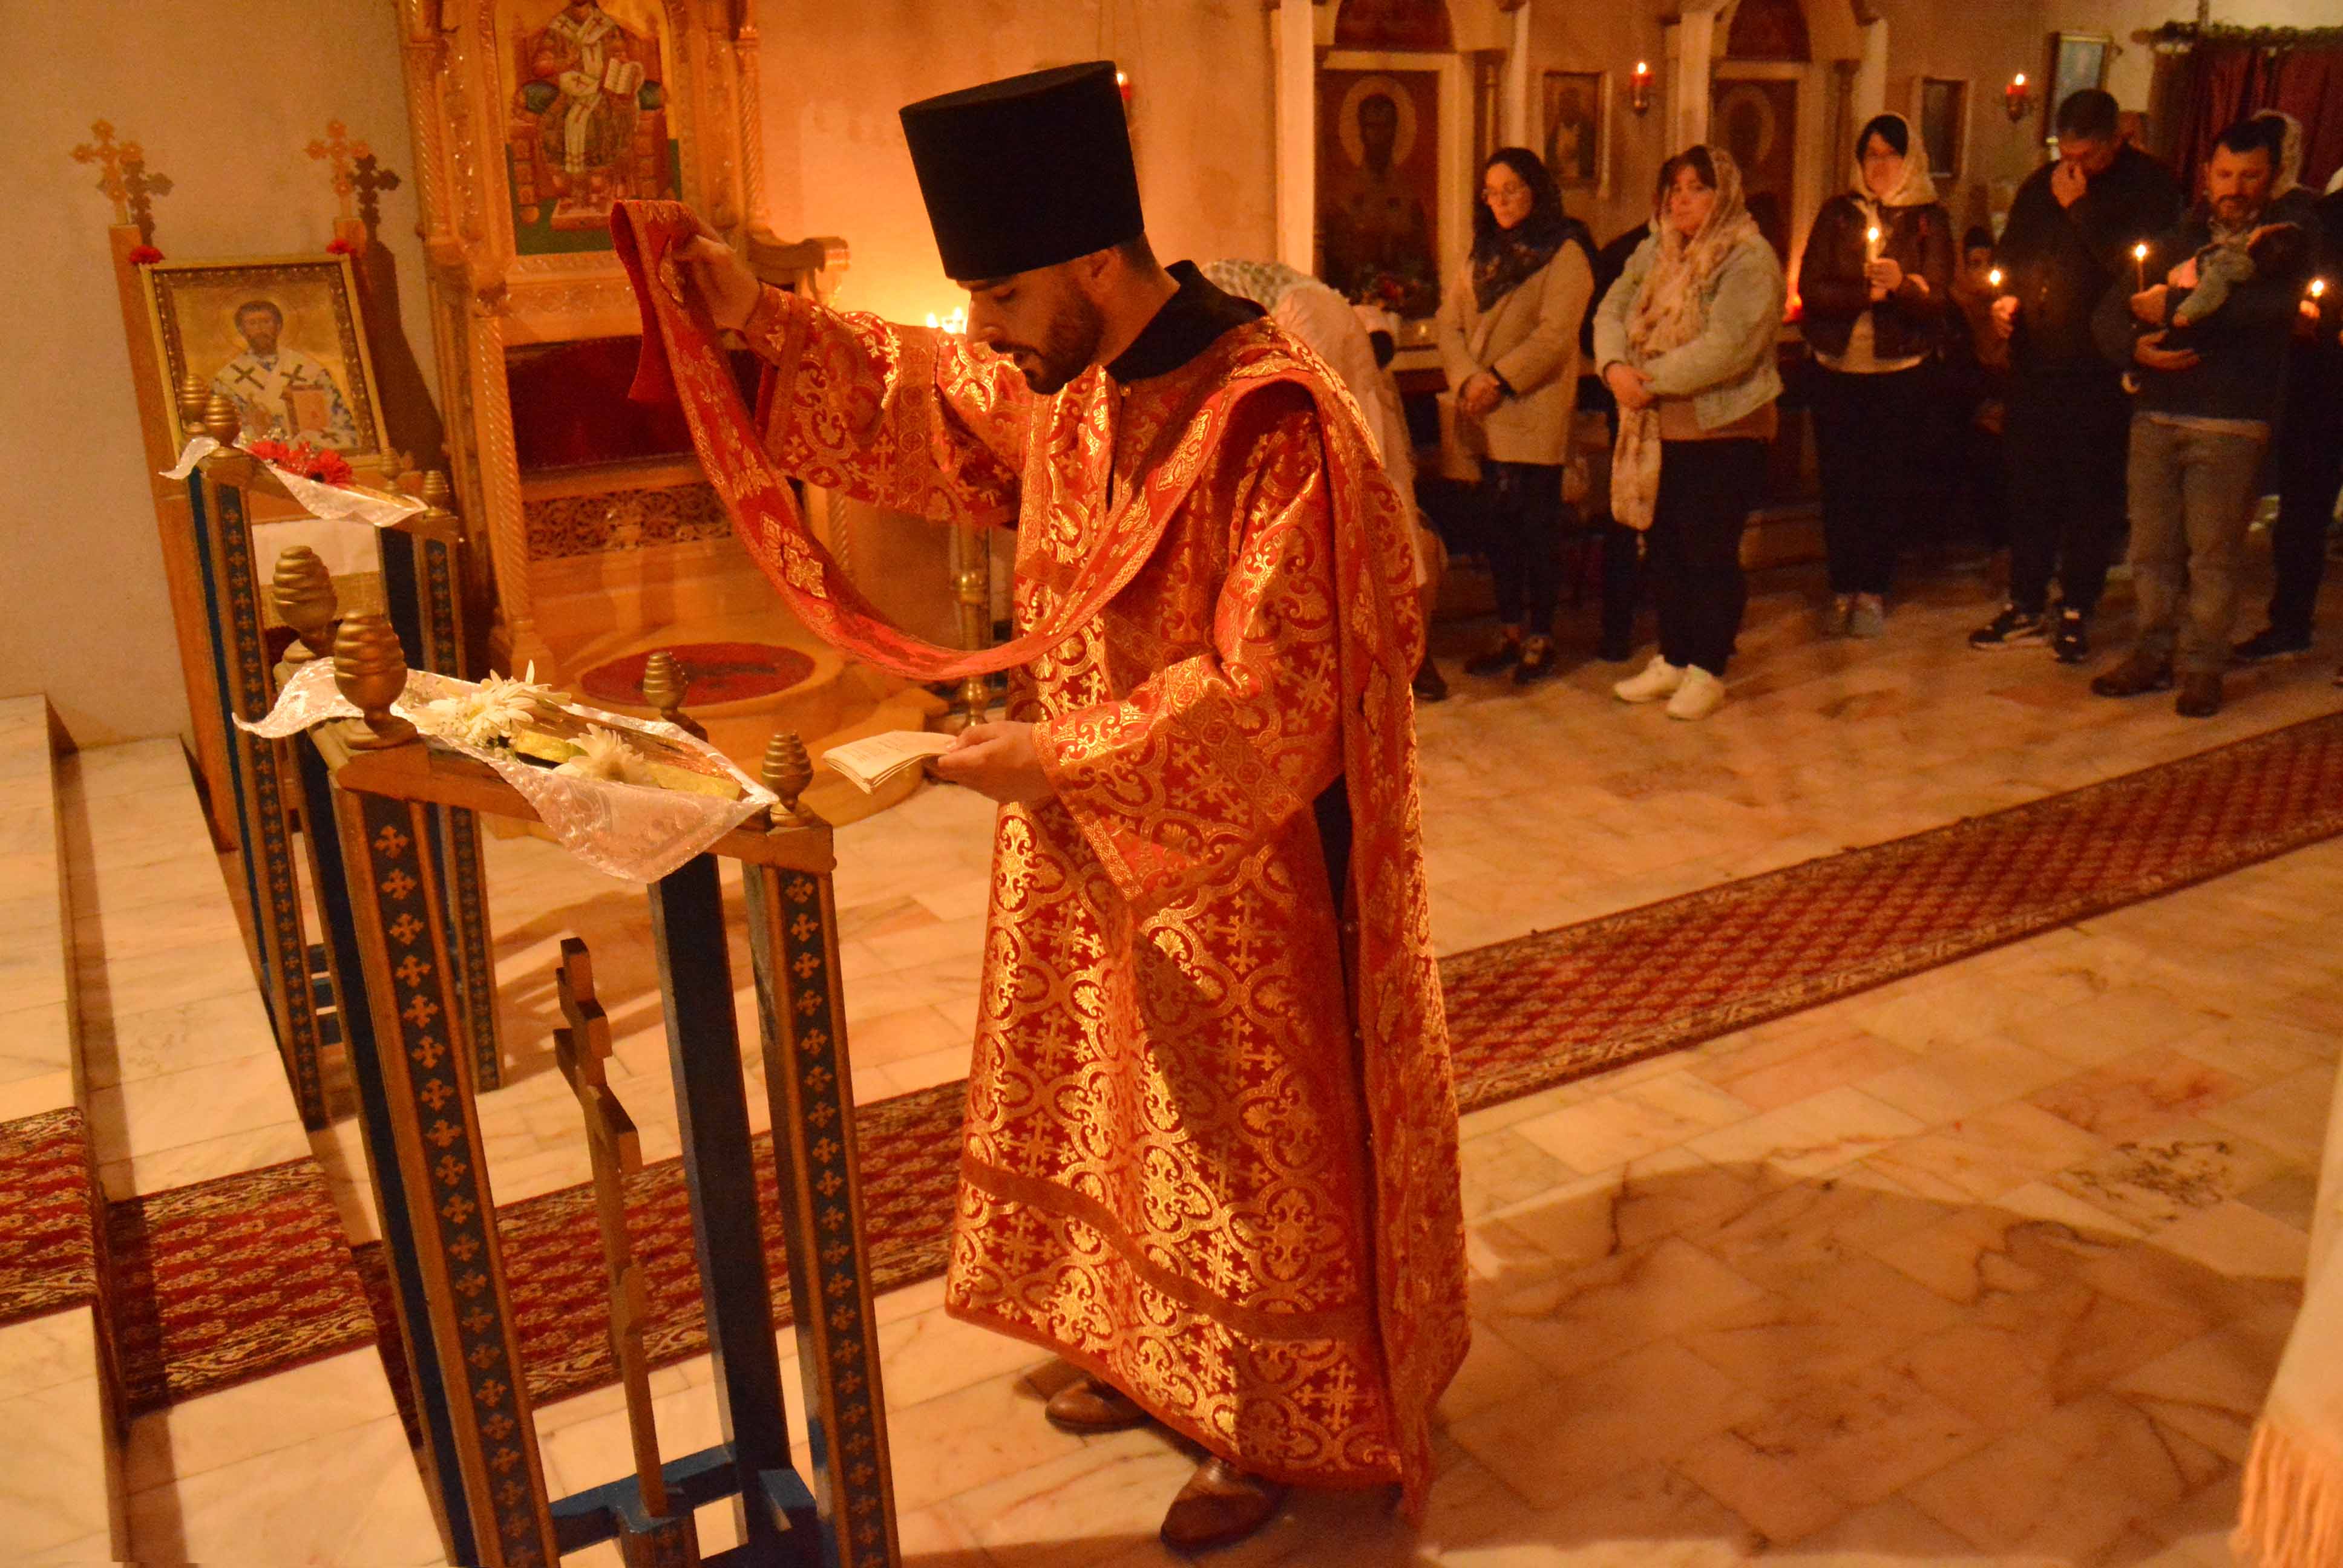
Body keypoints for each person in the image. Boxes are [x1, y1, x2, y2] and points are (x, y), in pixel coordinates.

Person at [668, 62, 1466, 1552]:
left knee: (1240, 1150)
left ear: (1098, 262)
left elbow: (1279, 691)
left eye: (1004, 293)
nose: (985, 327)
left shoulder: (1270, 422)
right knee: (1126, 1116)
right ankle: (1156, 1359)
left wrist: (1063, 758)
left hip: (1244, 869)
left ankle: (1264, 1422)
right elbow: (936, 396)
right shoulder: (1077, 384)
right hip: (1096, 836)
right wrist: (754, 320)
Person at [2089, 119, 2310, 718]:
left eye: (2249, 176)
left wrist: (2173, 306)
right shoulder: (2179, 239)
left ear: (2270, 179)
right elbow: (2108, 315)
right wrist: (2134, 348)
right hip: (2156, 414)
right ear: (2207, 176)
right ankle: (2151, 652)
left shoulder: (2281, 243)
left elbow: (2262, 311)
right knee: (2151, 549)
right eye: (2224, 174)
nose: (2234, 188)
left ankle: (2203, 666)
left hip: (2230, 421)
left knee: (2211, 554)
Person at [1972, 89, 2183, 662]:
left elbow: (2138, 270)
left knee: (2091, 493)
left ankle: (2077, 606)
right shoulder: (2042, 185)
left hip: (2100, 369)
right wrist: (2005, 300)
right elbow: (2012, 255)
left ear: (2117, 140)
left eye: (2087, 157)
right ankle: (2025, 600)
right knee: (2029, 489)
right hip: (2036, 364)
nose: (2074, 169)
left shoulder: (2150, 188)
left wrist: (2082, 209)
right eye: (2065, 155)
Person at [1594, 145, 1787, 720]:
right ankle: (1674, 656)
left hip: (1723, 429)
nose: (1681, 201)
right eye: (1675, 189)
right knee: (1666, 550)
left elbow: (1727, 347)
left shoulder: (1748, 257)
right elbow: (1609, 310)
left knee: (1709, 552)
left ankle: (1708, 667)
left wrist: (1647, 381)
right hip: (1656, 425)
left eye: (1697, 188)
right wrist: (1613, 367)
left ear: (1723, 195)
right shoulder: (1657, 249)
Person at [1201, 258, 1447, 700]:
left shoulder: (1299, 310)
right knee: (1390, 542)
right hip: (1361, 420)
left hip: (1343, 426)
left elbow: (1307, 387)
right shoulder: (1310, 300)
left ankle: (1387, 667)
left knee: (1361, 551)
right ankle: (1403, 660)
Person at [1436, 147, 1594, 683]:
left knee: (1536, 528)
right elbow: (1449, 323)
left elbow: (1555, 336)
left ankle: (1542, 635)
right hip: (1484, 410)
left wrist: (1498, 380)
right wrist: (1467, 379)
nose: (1501, 202)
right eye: (1492, 193)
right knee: (1498, 529)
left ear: (1536, 190)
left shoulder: (1565, 252)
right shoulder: (1483, 255)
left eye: (1512, 190)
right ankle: (1508, 630)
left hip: (1532, 407)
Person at [1797, 113, 1956, 637]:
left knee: (1884, 483)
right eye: (1871, 155)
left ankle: (1874, 588)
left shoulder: (1928, 219)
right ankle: (1842, 583)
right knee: (1841, 481)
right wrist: (1866, 294)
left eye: (1891, 155)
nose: (1880, 166)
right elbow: (1813, 287)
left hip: (1898, 371)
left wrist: (1902, 287)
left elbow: (1938, 297)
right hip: (1839, 369)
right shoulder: (1837, 215)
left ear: (1909, 160)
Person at [2238, 165, 2343, 667]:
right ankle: (2289, 623)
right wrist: (2298, 316)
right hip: (2320, 389)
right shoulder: (2325, 218)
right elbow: (2297, 285)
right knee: (2301, 517)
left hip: (2320, 387)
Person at [209, 299, 361, 449]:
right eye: (252, 323)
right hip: (256, 453)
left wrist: (306, 439)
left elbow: (343, 427)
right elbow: (222, 436)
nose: (260, 329)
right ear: (241, 330)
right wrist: (255, 429)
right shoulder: (226, 379)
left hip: (308, 451)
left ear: (279, 326)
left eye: (266, 322)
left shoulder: (311, 371)